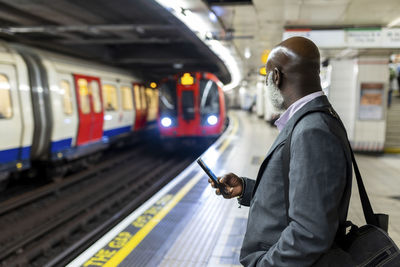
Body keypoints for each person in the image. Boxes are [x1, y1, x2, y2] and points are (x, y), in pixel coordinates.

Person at [209, 36, 353, 266]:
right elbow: (301, 196)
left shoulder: (312, 130)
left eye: (267, 77)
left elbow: (310, 232)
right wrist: (246, 189)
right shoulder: (314, 121)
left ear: (276, 76)